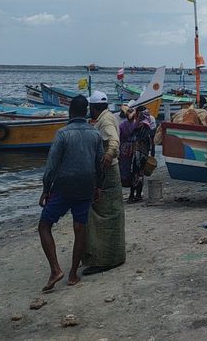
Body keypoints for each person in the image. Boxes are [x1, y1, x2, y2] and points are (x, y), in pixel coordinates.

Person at [38, 94, 103, 291]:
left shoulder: (62, 134)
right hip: (86, 186)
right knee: (80, 229)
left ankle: (56, 269)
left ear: (70, 112)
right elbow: (99, 164)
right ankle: (73, 274)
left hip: (64, 186)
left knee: (44, 225)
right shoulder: (95, 134)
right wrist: (98, 186)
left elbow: (51, 166)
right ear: (86, 112)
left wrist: (45, 189)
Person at [82, 90, 125, 276]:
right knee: (112, 215)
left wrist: (107, 156)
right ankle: (114, 254)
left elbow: (113, 142)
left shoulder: (105, 120)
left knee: (101, 215)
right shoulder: (109, 116)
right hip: (112, 172)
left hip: (108, 172)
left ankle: (103, 259)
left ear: (93, 107)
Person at [129, 105, 155, 203]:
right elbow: (152, 140)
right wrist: (152, 153)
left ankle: (133, 194)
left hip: (137, 152)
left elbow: (132, 137)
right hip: (144, 152)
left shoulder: (139, 125)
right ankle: (138, 194)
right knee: (140, 173)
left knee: (135, 173)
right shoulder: (149, 124)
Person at [118, 102, 137, 188]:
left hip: (124, 146)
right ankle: (132, 179)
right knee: (133, 163)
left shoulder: (122, 125)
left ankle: (125, 180)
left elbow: (120, 136)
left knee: (124, 163)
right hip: (134, 146)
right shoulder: (136, 125)